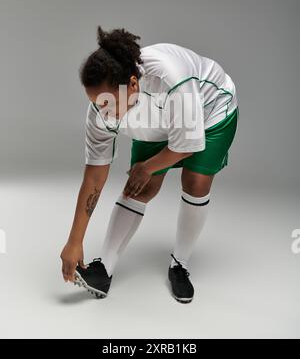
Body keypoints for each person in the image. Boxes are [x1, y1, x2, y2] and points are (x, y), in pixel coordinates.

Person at [60, 26, 240, 303]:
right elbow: (94, 178)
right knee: (138, 188)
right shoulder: (102, 108)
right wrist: (74, 241)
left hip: (209, 109)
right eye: (96, 103)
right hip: (156, 117)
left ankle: (179, 265)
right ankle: (104, 269)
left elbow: (185, 146)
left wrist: (148, 166)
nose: (102, 111)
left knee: (195, 183)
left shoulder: (173, 78)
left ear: (133, 84)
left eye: (108, 104)